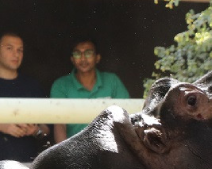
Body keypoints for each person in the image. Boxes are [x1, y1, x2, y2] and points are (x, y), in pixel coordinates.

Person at [50, 39, 129, 143]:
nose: (83, 58)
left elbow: (126, 116)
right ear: (72, 59)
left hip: (109, 148)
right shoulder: (61, 85)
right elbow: (59, 124)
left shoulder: (112, 81)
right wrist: (65, 156)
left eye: (88, 53)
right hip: (74, 149)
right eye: (78, 54)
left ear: (97, 58)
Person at [0, 32, 51, 162]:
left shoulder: (32, 85)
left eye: (20, 50)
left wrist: (35, 131)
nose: (16, 54)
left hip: (27, 164)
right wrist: (3, 126)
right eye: (9, 48)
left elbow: (45, 129)